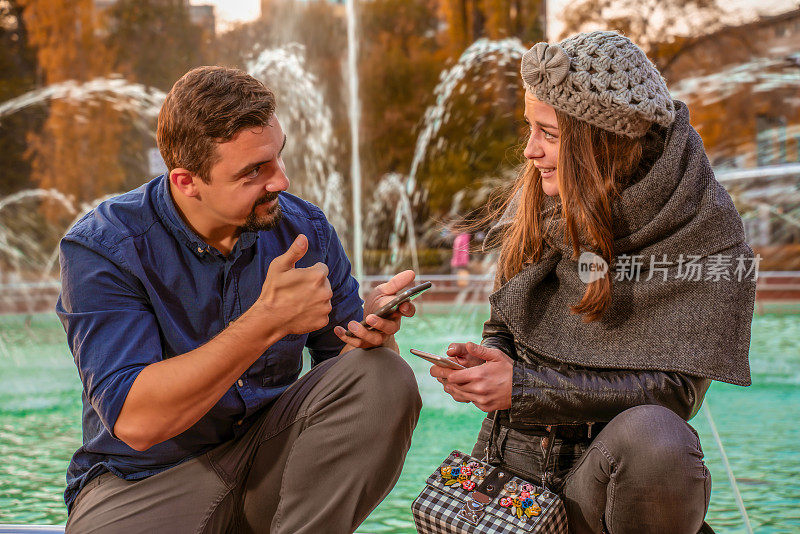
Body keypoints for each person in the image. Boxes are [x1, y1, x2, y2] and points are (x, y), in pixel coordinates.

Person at [58, 66, 422, 533]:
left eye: (277, 158)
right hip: (145, 481)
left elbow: (351, 380)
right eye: (254, 171)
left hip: (269, 463)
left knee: (383, 375)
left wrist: (372, 331)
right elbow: (137, 421)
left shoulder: (303, 229)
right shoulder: (104, 246)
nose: (281, 182)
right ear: (186, 181)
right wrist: (266, 323)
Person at [429, 31, 757, 534]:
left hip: (608, 488)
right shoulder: (542, 200)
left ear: (601, 143)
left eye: (549, 135)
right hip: (517, 491)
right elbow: (507, 318)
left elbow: (675, 392)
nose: (530, 151)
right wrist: (489, 363)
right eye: (529, 129)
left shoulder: (703, 226)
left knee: (658, 440)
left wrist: (524, 386)